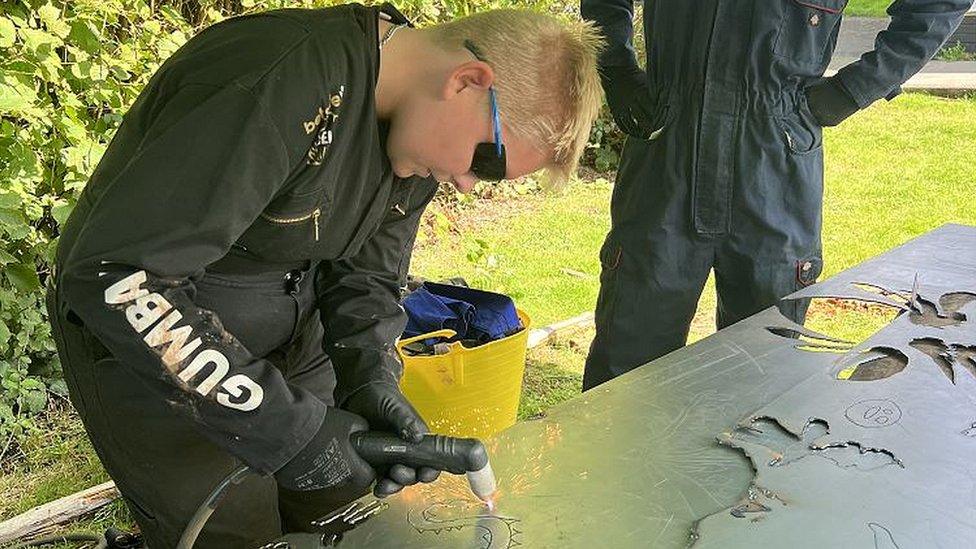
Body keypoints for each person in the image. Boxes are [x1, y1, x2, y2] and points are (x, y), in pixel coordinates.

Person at [46, 2, 603, 546]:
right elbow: (120, 275)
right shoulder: (277, 79)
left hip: (295, 319)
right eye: (485, 162)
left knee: (344, 510)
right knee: (236, 533)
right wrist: (284, 426)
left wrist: (371, 380)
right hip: (159, 336)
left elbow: (369, 278)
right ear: (466, 81)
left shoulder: (416, 138)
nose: (467, 184)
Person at [581, 0, 972, 390]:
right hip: (665, 157)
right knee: (624, 375)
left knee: (762, 381)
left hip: (775, 167)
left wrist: (854, 89)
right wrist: (615, 70)